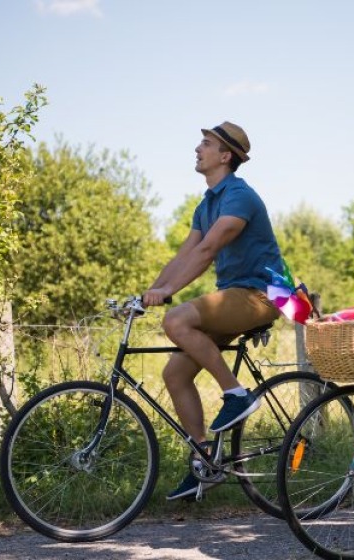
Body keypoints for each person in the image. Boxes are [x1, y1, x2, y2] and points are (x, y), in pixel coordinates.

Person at [142, 121, 282, 500]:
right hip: (235, 295)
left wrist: (169, 293)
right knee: (175, 374)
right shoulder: (207, 204)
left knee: (177, 319)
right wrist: (149, 292)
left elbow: (206, 252)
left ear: (225, 156)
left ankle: (237, 394)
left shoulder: (239, 196)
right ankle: (205, 461)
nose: (197, 149)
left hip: (264, 294)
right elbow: (185, 253)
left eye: (205, 144)